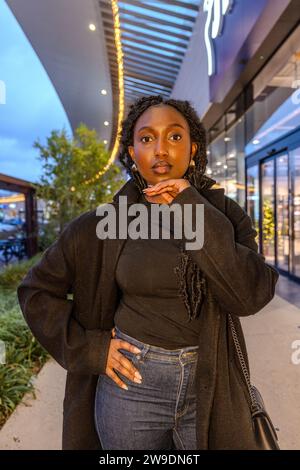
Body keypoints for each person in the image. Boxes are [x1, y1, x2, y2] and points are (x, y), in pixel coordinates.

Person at [17, 95, 279, 450]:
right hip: (132, 386)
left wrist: (190, 205)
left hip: (211, 381)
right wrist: (93, 350)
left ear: (193, 148)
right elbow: (36, 291)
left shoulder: (226, 216)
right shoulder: (101, 224)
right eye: (146, 138)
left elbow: (249, 294)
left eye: (174, 136)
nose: (160, 150)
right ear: (131, 151)